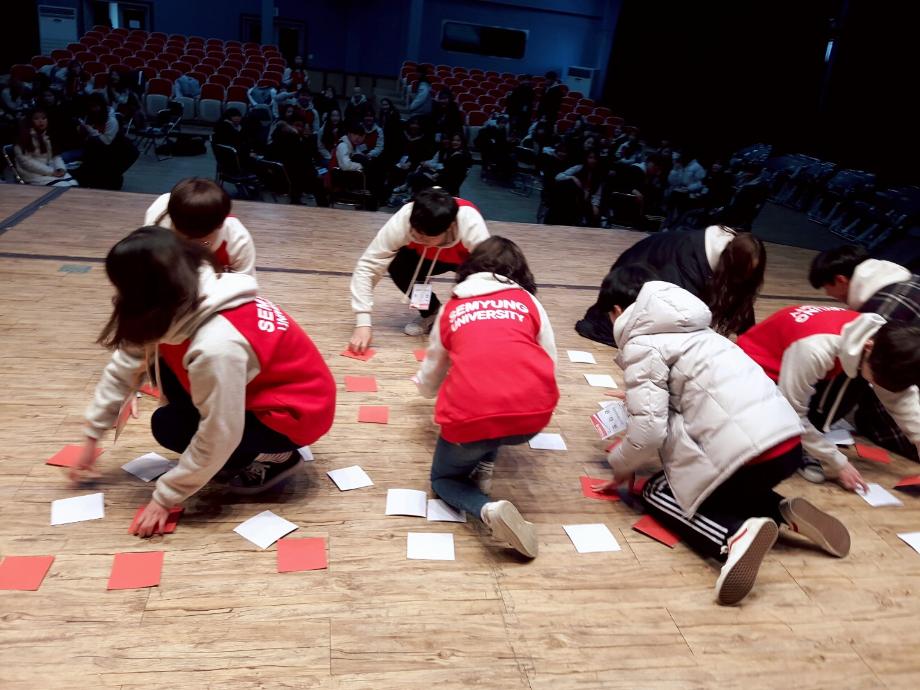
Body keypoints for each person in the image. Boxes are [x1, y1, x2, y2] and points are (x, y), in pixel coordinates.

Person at [594, 267, 850, 605]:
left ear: (617, 311)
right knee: (725, 488)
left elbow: (650, 432)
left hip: (747, 456)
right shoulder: (704, 332)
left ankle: (735, 535)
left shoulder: (643, 344)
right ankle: (781, 510)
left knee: (659, 491)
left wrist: (621, 465)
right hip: (788, 444)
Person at [73, 227, 337, 535]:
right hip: (265, 390)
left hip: (296, 414)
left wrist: (165, 497)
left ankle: (278, 456)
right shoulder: (184, 289)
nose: (118, 298)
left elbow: (219, 433)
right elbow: (126, 363)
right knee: (168, 403)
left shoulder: (217, 344)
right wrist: (92, 437)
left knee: (171, 428)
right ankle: (234, 453)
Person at [415, 237, 558, 558]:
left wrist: (424, 389)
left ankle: (487, 510)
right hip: (532, 416)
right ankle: (485, 463)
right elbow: (550, 358)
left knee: (443, 479)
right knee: (499, 409)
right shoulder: (528, 302)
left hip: (472, 419)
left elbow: (433, 371)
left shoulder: (452, 307)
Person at [737, 304, 920, 487]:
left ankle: (806, 443)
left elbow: (901, 398)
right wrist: (837, 461)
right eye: (878, 380)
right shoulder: (815, 349)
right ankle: (799, 447)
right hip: (747, 373)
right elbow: (791, 413)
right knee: (774, 460)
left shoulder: (885, 340)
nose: (879, 386)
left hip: (790, 364)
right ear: (868, 347)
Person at [809, 245, 920, 459]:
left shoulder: (881, 314)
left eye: (828, 289)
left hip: (910, 379)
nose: (830, 296)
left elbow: (845, 381)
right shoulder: (904, 280)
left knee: (876, 415)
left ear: (841, 280)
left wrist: (813, 424)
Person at [348, 187, 490, 350]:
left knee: (474, 286)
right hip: (424, 257)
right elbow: (368, 265)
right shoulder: (404, 217)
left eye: (426, 237)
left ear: (450, 227)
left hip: (466, 261)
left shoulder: (470, 223)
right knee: (398, 265)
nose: (418, 237)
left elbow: (489, 277)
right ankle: (432, 313)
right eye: (416, 233)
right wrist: (363, 322)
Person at [575, 226, 766, 345]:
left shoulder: (728, 259)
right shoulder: (687, 267)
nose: (745, 279)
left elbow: (742, 300)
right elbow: (672, 316)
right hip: (632, 279)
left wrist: (752, 342)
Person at [144, 178, 256, 276]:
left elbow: (246, 285)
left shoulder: (238, 240)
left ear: (221, 224)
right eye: (185, 237)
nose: (192, 243)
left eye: (200, 240)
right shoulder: (158, 216)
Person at [12, 108, 78, 187]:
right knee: (63, 186)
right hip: (33, 174)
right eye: (36, 118)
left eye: (44, 118)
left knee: (74, 184)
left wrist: (61, 168)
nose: (41, 121)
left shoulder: (48, 135)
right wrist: (51, 172)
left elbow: (56, 156)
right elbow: (26, 162)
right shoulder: (23, 138)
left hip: (51, 171)